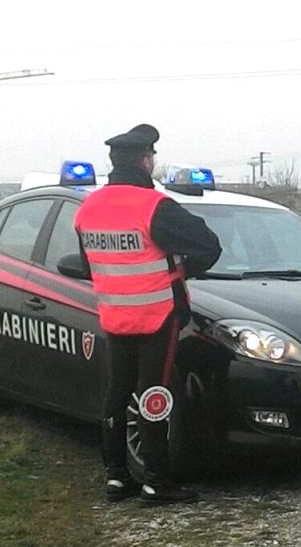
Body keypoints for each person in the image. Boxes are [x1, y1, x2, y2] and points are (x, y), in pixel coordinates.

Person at [73, 124, 222, 504]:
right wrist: (186, 268)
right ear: (144, 160)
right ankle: (156, 480)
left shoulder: (88, 208)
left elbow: (92, 264)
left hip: (113, 314)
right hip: (157, 314)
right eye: (151, 157)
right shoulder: (154, 206)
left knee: (117, 393)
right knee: (153, 394)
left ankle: (116, 476)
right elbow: (208, 244)